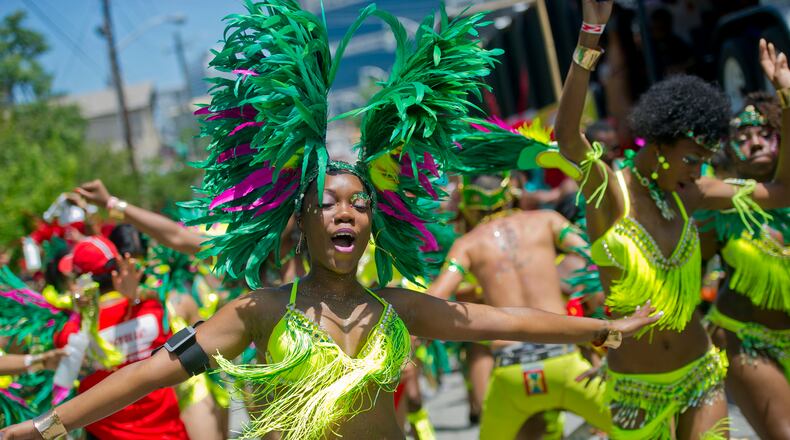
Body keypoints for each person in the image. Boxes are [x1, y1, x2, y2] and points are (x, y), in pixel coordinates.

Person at [0, 2, 660, 439]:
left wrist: (602, 324)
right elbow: (150, 371)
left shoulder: (398, 307)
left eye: (361, 202)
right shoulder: (258, 309)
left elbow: (503, 320)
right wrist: (45, 427)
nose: (347, 211)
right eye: (329, 202)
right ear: (301, 218)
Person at [554, 1, 790, 438]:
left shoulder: (692, 195)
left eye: (704, 160)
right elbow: (568, 137)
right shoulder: (609, 192)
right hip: (637, 392)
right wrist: (590, 35)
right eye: (691, 158)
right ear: (660, 144)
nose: (698, 169)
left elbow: (781, 192)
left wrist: (788, 101)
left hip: (702, 377)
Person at [428, 174, 611, 440]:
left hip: (511, 375)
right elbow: (596, 258)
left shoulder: (467, 244)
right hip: (565, 364)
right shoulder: (546, 221)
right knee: (642, 430)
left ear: (468, 205)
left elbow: (435, 298)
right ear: (511, 193)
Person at [702, 91, 790, 438]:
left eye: (765, 134)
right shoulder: (718, 207)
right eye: (743, 138)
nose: (755, 144)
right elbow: (684, 279)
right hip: (747, 341)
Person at [54, 235, 189, 440]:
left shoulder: (73, 330)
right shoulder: (153, 310)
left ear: (81, 280)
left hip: (106, 434)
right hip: (167, 432)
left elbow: (62, 373)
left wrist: (77, 311)